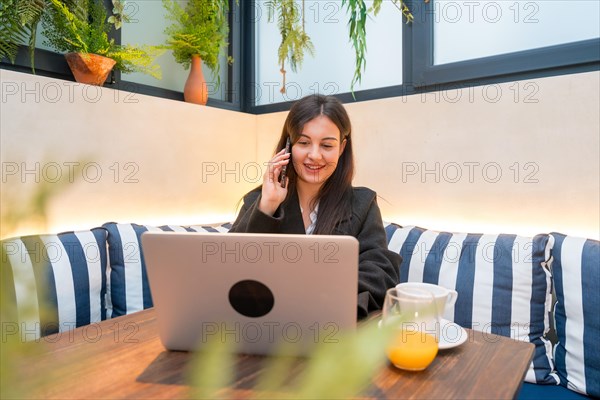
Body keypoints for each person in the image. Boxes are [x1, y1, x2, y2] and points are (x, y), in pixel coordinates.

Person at [230, 94, 400, 318]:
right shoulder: (259, 201)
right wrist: (268, 206)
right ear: (288, 146)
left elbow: (381, 273)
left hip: (332, 327)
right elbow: (231, 268)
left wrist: (319, 292)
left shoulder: (363, 204)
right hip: (267, 325)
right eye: (303, 142)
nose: (315, 155)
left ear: (341, 148)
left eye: (327, 145)